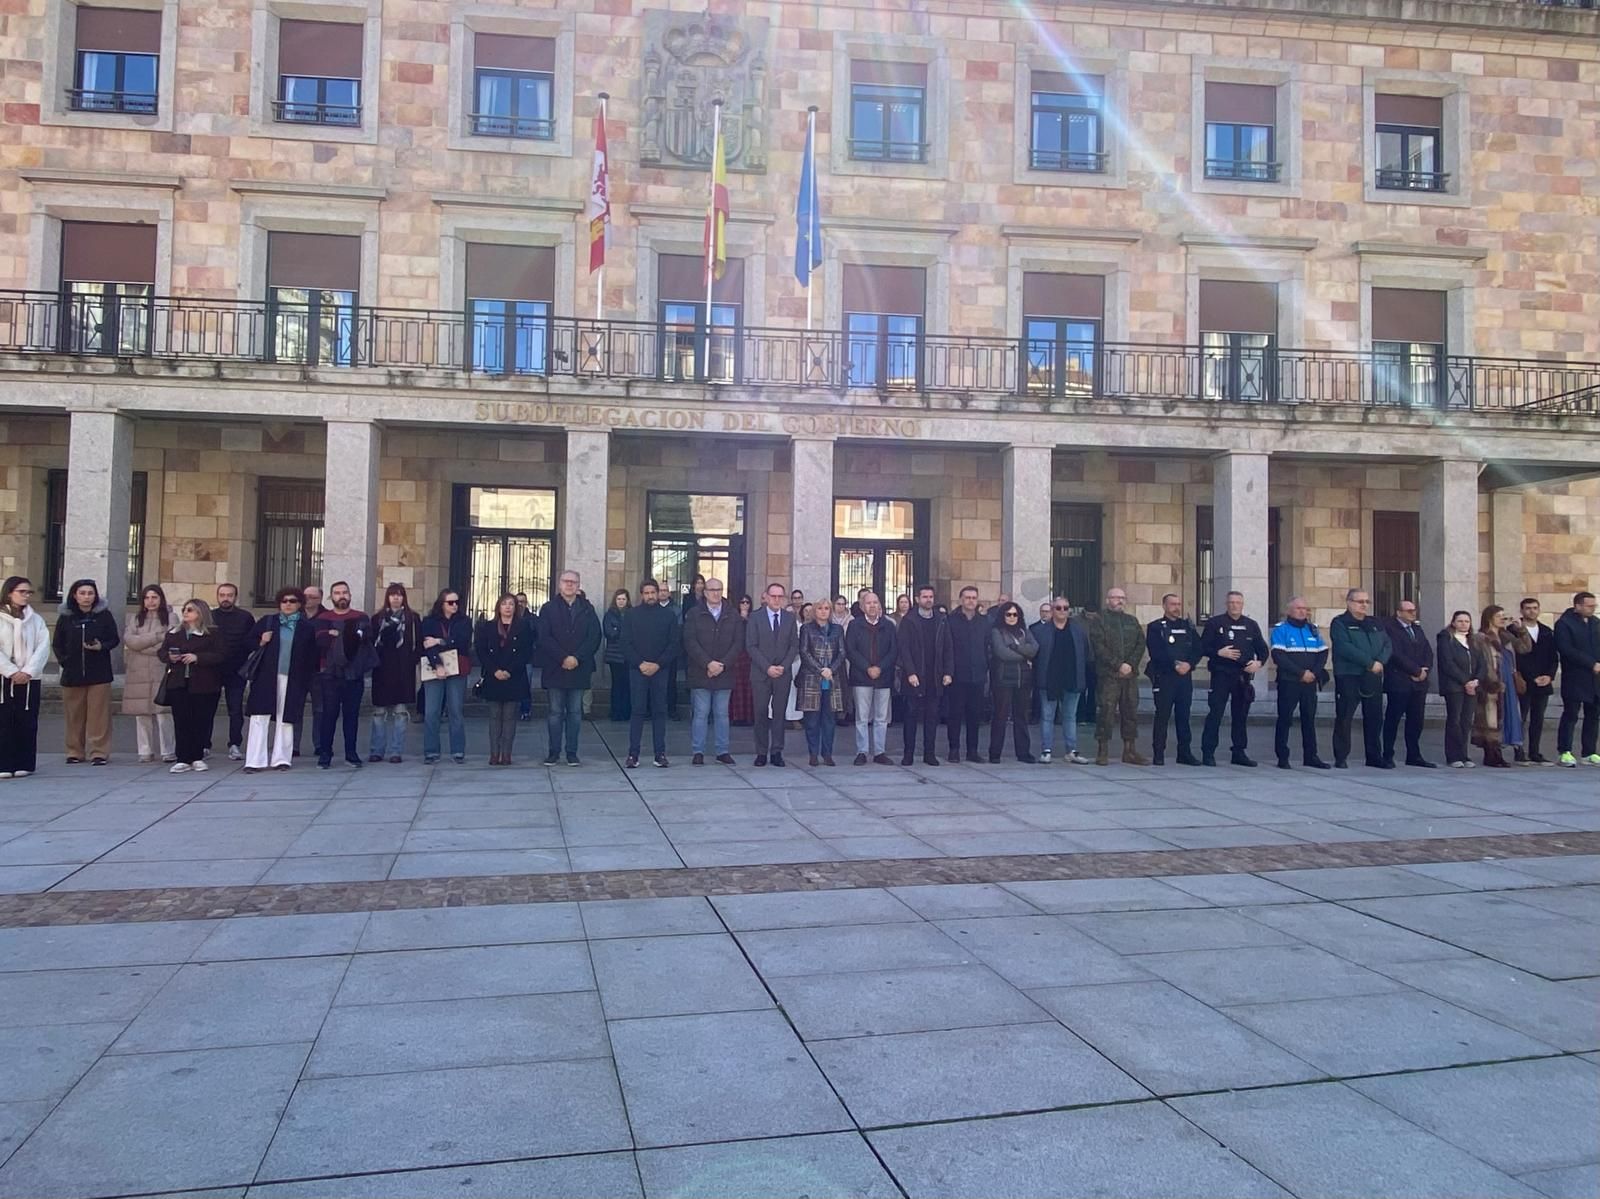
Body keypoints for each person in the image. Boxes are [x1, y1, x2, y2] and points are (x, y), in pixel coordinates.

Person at [242, 587, 318, 772]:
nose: (288, 604)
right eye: (284, 601)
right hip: (266, 677)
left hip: (292, 679)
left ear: (299, 604)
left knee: (286, 718)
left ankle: (282, 758)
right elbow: (247, 643)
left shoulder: (306, 627)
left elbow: (311, 656)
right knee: (259, 717)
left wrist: (306, 680)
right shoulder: (268, 622)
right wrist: (261, 640)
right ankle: (254, 760)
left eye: (292, 601)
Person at [537, 569, 601, 766]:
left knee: (575, 713)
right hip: (556, 668)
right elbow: (544, 637)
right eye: (566, 581)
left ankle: (572, 753)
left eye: (573, 582)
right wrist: (563, 657)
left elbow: (594, 637)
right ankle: (553, 752)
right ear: (559, 584)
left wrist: (577, 658)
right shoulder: (548, 609)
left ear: (579, 585)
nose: (570, 585)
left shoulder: (588, 609)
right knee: (555, 713)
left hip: (579, 669)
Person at [54, 578, 119, 765]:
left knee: (99, 715)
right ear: (75, 595)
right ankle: (75, 751)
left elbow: (114, 639)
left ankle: (99, 751)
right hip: (73, 673)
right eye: (82, 593)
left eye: (90, 593)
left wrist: (101, 646)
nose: (86, 597)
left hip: (99, 672)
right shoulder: (66, 617)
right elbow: (57, 644)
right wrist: (65, 661)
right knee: (74, 715)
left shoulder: (104, 615)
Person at [1199, 591, 1268, 768]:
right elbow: (1202, 647)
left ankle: (1239, 752)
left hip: (1242, 677)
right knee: (1215, 714)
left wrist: (1258, 663)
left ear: (1242, 604)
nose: (1234, 605)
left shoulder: (1251, 625)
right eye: (1231, 602)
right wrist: (1218, 652)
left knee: (1241, 716)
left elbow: (1263, 649)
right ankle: (1208, 753)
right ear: (1226, 604)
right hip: (1221, 675)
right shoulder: (1215, 623)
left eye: (1237, 602)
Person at [161, 599, 225, 773]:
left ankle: (197, 756)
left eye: (190, 610)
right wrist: (170, 657)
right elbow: (162, 652)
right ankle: (182, 757)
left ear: (200, 613)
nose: (185, 613)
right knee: (181, 720)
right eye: (184, 610)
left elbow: (220, 655)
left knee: (201, 720)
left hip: (204, 684)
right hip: (179, 682)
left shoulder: (212, 634)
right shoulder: (174, 633)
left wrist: (198, 657)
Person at [1330, 588, 1392, 769]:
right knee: (1345, 717)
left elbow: (1387, 644)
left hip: (1373, 675)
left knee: (1374, 717)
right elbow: (1344, 647)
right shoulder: (1340, 623)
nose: (1364, 605)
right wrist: (1369, 662)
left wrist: (1380, 661)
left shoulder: (1374, 623)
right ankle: (1341, 756)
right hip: (1349, 675)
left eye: (1367, 602)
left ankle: (1374, 756)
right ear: (1349, 603)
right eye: (1360, 601)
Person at [684, 577, 742, 765]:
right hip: (701, 671)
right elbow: (690, 641)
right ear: (705, 592)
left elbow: (738, 643)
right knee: (700, 713)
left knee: (722, 713)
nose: (716, 593)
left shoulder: (732, 614)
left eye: (719, 589)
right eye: (712, 589)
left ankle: (722, 751)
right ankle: (698, 751)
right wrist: (707, 663)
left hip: (724, 672)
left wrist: (722, 664)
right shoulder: (694, 614)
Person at [312, 581, 369, 770]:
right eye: (337, 593)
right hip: (329, 674)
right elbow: (320, 641)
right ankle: (325, 754)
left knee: (351, 716)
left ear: (350, 595)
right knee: (329, 715)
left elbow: (363, 640)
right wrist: (345, 635)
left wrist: (338, 634)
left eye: (345, 592)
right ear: (331, 597)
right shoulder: (323, 617)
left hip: (354, 674)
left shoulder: (361, 616)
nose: (341, 596)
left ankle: (351, 754)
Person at [1270, 597, 1331, 770]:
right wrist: (1301, 673)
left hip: (1310, 682)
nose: (1303, 611)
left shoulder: (1312, 630)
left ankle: (1311, 756)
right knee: (1285, 719)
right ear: (1289, 610)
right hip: (1290, 681)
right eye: (1298, 608)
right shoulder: (1281, 630)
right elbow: (1279, 657)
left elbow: (1323, 652)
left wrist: (1314, 673)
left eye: (1305, 608)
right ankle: (1283, 757)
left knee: (1309, 719)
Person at [622, 578, 677, 768]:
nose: (650, 596)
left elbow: (673, 644)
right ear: (641, 595)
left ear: (659, 593)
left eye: (653, 592)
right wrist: (640, 663)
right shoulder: (630, 615)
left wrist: (658, 664)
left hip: (660, 671)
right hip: (637, 670)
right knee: (637, 711)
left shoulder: (669, 616)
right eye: (646, 593)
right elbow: (625, 643)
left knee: (659, 711)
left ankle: (660, 754)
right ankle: (633, 754)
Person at [1086, 587, 1145, 765]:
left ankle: (1129, 750)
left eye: (1122, 598)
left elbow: (1140, 644)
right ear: (1107, 600)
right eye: (1115, 598)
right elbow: (1099, 647)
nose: (1119, 601)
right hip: (1108, 675)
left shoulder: (1132, 621)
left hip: (1129, 676)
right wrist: (1118, 665)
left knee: (1130, 712)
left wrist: (1130, 664)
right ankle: (1102, 750)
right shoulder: (1099, 620)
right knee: (1106, 711)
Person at [0, 577, 49, 781]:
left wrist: (28, 671)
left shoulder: (35, 620)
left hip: (29, 679)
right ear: (10, 592)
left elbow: (43, 646)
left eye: (29, 592)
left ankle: (24, 762)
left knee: (27, 721)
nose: (26, 595)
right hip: (4, 679)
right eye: (22, 591)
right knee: (4, 721)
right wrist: (10, 671)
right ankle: (4, 763)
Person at [898, 584, 952, 766]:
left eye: (931, 597)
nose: (928, 600)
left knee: (932, 717)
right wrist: (910, 672)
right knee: (911, 716)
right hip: (914, 676)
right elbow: (904, 649)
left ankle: (930, 753)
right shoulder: (909, 620)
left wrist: (948, 672)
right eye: (925, 597)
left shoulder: (942, 620)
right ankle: (908, 754)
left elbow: (948, 648)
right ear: (917, 599)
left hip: (935, 676)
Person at [477, 593, 533, 766]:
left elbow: (526, 651)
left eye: (511, 604)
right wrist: (495, 670)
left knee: (509, 716)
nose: (508, 607)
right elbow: (481, 650)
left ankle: (507, 754)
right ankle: (494, 753)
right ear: (498, 607)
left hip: (514, 676)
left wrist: (509, 670)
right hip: (493, 676)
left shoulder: (523, 626)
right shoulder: (488, 626)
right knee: (494, 716)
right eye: (504, 604)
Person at [1146, 593, 1201, 767]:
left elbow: (1198, 648)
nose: (1176, 607)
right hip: (1165, 677)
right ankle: (1158, 753)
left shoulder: (1188, 626)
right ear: (1164, 606)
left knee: (1183, 716)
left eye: (1178, 604)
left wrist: (1189, 664)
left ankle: (1184, 753)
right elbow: (1156, 651)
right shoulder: (1155, 627)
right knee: (1162, 716)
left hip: (1184, 678)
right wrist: (1174, 665)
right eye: (1172, 604)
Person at [123, 584, 176, 764]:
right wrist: (155, 638)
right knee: (142, 713)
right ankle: (145, 750)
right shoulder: (135, 618)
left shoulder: (170, 617)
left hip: (160, 667)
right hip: (138, 670)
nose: (151, 601)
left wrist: (143, 645)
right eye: (147, 598)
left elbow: (168, 642)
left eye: (154, 597)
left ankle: (168, 750)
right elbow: (131, 642)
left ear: (161, 599)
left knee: (163, 712)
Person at [1380, 598, 1436, 769]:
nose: (1413, 613)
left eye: (1414, 610)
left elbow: (1427, 651)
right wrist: (1415, 671)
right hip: (1400, 681)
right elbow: (1395, 654)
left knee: (1416, 720)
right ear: (1398, 613)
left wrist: (1424, 669)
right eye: (1409, 611)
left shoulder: (1417, 629)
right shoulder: (1390, 629)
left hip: (1419, 684)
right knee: (1393, 719)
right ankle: (1387, 754)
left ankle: (1414, 754)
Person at [746, 582, 798, 766]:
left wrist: (783, 666)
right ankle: (761, 752)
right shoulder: (755, 617)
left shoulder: (790, 618)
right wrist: (767, 667)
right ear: (766, 597)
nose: (776, 600)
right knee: (760, 713)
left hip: (782, 673)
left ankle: (777, 751)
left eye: (780, 596)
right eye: (773, 596)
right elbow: (751, 646)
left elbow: (794, 646)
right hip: (761, 673)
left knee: (779, 714)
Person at [1472, 605, 1530, 769]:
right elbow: (1480, 662)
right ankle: (1492, 754)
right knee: (1491, 718)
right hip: (1491, 682)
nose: (1502, 619)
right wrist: (1487, 681)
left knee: (1506, 716)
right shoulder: (1481, 637)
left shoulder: (1506, 636)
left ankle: (1500, 751)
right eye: (1499, 616)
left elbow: (1525, 648)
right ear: (1490, 618)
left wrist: (1521, 630)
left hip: (1508, 681)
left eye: (1504, 616)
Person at [368, 583, 420, 763]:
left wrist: (412, 661)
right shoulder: (377, 619)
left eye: (399, 595)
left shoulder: (413, 618)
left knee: (400, 712)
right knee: (379, 713)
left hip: (403, 671)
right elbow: (371, 643)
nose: (396, 598)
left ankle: (396, 751)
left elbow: (418, 644)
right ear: (387, 598)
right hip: (382, 670)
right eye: (392, 595)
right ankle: (377, 750)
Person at [1035, 596, 1090, 764]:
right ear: (1052, 610)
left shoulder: (1077, 630)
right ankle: (1046, 750)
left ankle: (1071, 751)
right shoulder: (1041, 631)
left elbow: (1085, 652)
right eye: (1058, 608)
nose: (1062, 611)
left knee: (1070, 716)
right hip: (1049, 679)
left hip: (1072, 678)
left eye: (1066, 608)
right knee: (1047, 716)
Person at [420, 588, 472, 764]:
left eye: (457, 602)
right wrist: (438, 665)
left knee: (456, 710)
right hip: (435, 668)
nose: (454, 605)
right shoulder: (429, 621)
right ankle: (431, 751)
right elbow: (427, 645)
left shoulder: (464, 621)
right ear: (442, 604)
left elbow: (462, 641)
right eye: (450, 602)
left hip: (457, 668)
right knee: (432, 711)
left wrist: (440, 640)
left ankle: (458, 750)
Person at [846, 590, 897, 765]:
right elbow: (850, 650)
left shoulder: (889, 625)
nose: (872, 606)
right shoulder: (854, 625)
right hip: (861, 676)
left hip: (883, 677)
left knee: (881, 717)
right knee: (862, 717)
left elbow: (893, 650)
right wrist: (867, 668)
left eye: (875, 602)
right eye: (868, 603)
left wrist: (880, 668)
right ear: (862, 606)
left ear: (880, 605)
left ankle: (879, 752)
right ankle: (862, 751)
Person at [1554, 591, 1600, 767]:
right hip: (1575, 676)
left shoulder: (1595, 623)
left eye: (1594, 606)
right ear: (1578, 606)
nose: (1592, 609)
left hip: (1595, 678)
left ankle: (1589, 752)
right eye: (1589, 606)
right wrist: (1591, 663)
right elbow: (1566, 649)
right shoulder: (1565, 624)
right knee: (1571, 714)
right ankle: (1564, 751)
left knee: (1593, 714)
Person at [988, 601, 1038, 763]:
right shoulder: (997, 631)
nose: (1011, 617)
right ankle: (995, 753)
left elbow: (1035, 648)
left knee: (1021, 717)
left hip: (1023, 680)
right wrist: (1025, 656)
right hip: (1003, 679)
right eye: (1008, 614)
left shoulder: (1025, 631)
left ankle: (1023, 752)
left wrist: (1016, 648)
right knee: (1000, 717)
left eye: (1015, 614)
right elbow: (1002, 653)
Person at [798, 597, 845, 766]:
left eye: (827, 608)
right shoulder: (806, 629)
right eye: (820, 608)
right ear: (815, 611)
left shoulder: (837, 629)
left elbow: (841, 652)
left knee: (829, 719)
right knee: (812, 720)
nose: (824, 611)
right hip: (812, 679)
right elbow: (804, 652)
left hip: (832, 679)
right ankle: (813, 753)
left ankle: (827, 753)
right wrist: (820, 670)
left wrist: (831, 669)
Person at [1437, 610, 1486, 769]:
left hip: (1472, 686)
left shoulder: (1473, 641)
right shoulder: (1446, 639)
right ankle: (1453, 755)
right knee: (1455, 720)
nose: (1464, 624)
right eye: (1460, 621)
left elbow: (1481, 663)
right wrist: (1466, 681)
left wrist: (1476, 680)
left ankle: (1464, 754)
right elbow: (1447, 663)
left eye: (1467, 621)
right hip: (1454, 686)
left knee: (1466, 721)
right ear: (1453, 622)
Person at [945, 586, 988, 763]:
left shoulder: (985, 621)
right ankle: (954, 749)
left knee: (974, 714)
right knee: (955, 714)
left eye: (974, 598)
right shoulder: (950, 620)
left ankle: (972, 750)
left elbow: (988, 646)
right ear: (961, 600)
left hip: (977, 674)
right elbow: (947, 648)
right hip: (957, 675)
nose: (971, 600)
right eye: (967, 597)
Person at [212, 584, 255, 761]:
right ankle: (205, 745)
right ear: (217, 597)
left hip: (237, 670)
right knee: (208, 709)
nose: (225, 598)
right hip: (212, 670)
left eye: (229, 595)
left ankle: (235, 744)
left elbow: (252, 641)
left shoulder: (245, 617)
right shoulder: (210, 616)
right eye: (222, 595)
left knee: (235, 709)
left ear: (236, 597)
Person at [1515, 597, 1558, 765]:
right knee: (1521, 717)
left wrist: (1549, 676)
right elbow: (1518, 657)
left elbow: (1553, 657)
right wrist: (1531, 676)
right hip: (1524, 681)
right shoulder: (1514, 631)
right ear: (1522, 610)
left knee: (1538, 718)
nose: (1531, 611)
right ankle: (1519, 751)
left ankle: (1535, 751)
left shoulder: (1547, 631)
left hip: (1543, 682)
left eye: (1534, 608)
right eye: (1528, 608)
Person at [291, 584, 325, 757]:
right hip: (298, 670)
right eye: (305, 596)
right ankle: (293, 746)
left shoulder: (326, 617)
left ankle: (319, 744)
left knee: (319, 709)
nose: (308, 600)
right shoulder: (294, 617)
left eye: (312, 597)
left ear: (319, 599)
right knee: (295, 709)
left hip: (319, 670)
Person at [602, 589, 632, 723]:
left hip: (629, 655)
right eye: (619, 599)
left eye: (623, 599)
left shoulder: (632, 613)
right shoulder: (609, 614)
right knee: (616, 684)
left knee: (627, 684)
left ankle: (626, 712)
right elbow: (609, 633)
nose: (621, 601)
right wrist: (621, 629)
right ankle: (615, 712)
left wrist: (618, 628)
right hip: (614, 655)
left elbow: (634, 632)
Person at [730, 595, 755, 727]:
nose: (745, 604)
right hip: (737, 655)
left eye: (747, 602)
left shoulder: (754, 618)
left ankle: (749, 716)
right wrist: (741, 618)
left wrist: (747, 619)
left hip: (750, 656)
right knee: (737, 687)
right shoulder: (734, 618)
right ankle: (737, 716)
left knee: (749, 687)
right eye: (742, 602)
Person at [513, 592, 536, 722]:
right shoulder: (509, 618)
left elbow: (537, 635)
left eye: (523, 601)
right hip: (512, 658)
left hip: (527, 657)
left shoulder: (532, 618)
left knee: (526, 685)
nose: (520, 604)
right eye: (518, 601)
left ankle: (526, 710)